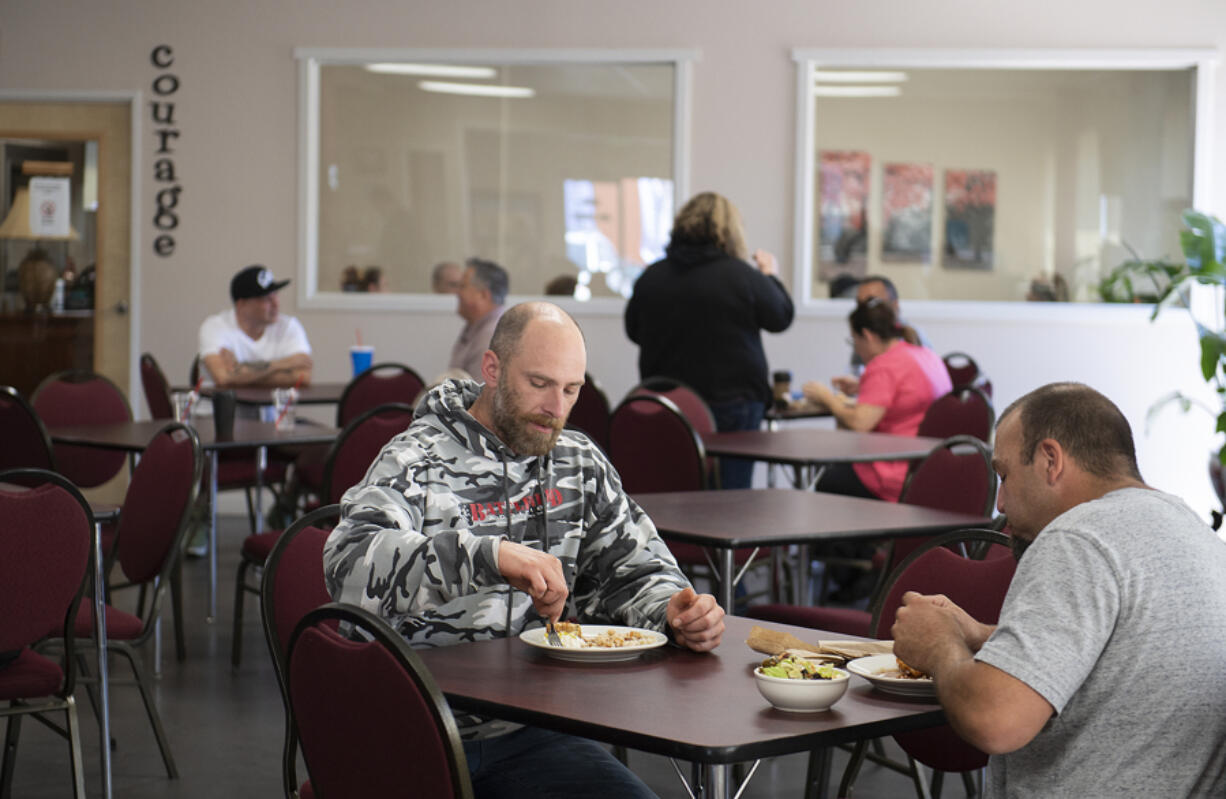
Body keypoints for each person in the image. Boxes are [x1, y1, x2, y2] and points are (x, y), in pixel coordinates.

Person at [324, 301, 725, 799]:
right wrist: (487, 556)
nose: (556, 408)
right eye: (539, 384)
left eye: (571, 389)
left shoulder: (578, 462)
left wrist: (675, 609)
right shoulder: (416, 457)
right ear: (491, 369)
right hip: (418, 727)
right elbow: (349, 563)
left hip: (533, 733)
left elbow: (636, 568)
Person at [892, 382, 1226, 796]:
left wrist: (939, 645)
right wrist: (983, 636)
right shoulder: (1191, 529)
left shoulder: (1078, 538)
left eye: (1005, 475)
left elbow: (995, 721)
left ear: (1050, 460)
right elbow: (1132, 652)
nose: (1000, 502)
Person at [624, 191, 794, 489]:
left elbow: (633, 331)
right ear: (731, 231)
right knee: (730, 498)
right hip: (734, 403)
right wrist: (770, 276)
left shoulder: (652, 277)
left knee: (675, 489)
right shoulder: (742, 276)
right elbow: (780, 317)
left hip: (668, 403)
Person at [803, 298, 950, 502]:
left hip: (893, 471)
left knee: (825, 479)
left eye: (854, 341)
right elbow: (906, 396)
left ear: (868, 336)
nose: (856, 349)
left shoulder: (883, 366)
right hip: (929, 466)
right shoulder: (925, 354)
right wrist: (864, 385)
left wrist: (826, 397)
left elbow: (860, 423)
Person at [198, 264, 312, 388]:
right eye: (266, 299)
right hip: (219, 407)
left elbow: (303, 377)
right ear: (242, 304)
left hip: (272, 406)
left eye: (276, 295)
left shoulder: (289, 326)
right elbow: (223, 377)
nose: (276, 304)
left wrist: (240, 372)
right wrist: (282, 365)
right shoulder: (215, 326)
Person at [833, 275, 932, 396]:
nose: (864, 311)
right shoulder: (863, 340)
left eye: (873, 303)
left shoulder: (912, 340)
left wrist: (827, 398)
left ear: (894, 305)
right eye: (860, 304)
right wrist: (860, 385)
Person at [449, 258, 509, 379]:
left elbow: (480, 393)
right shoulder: (476, 327)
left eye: (463, 286)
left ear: (483, 295)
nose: (457, 293)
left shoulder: (492, 336)